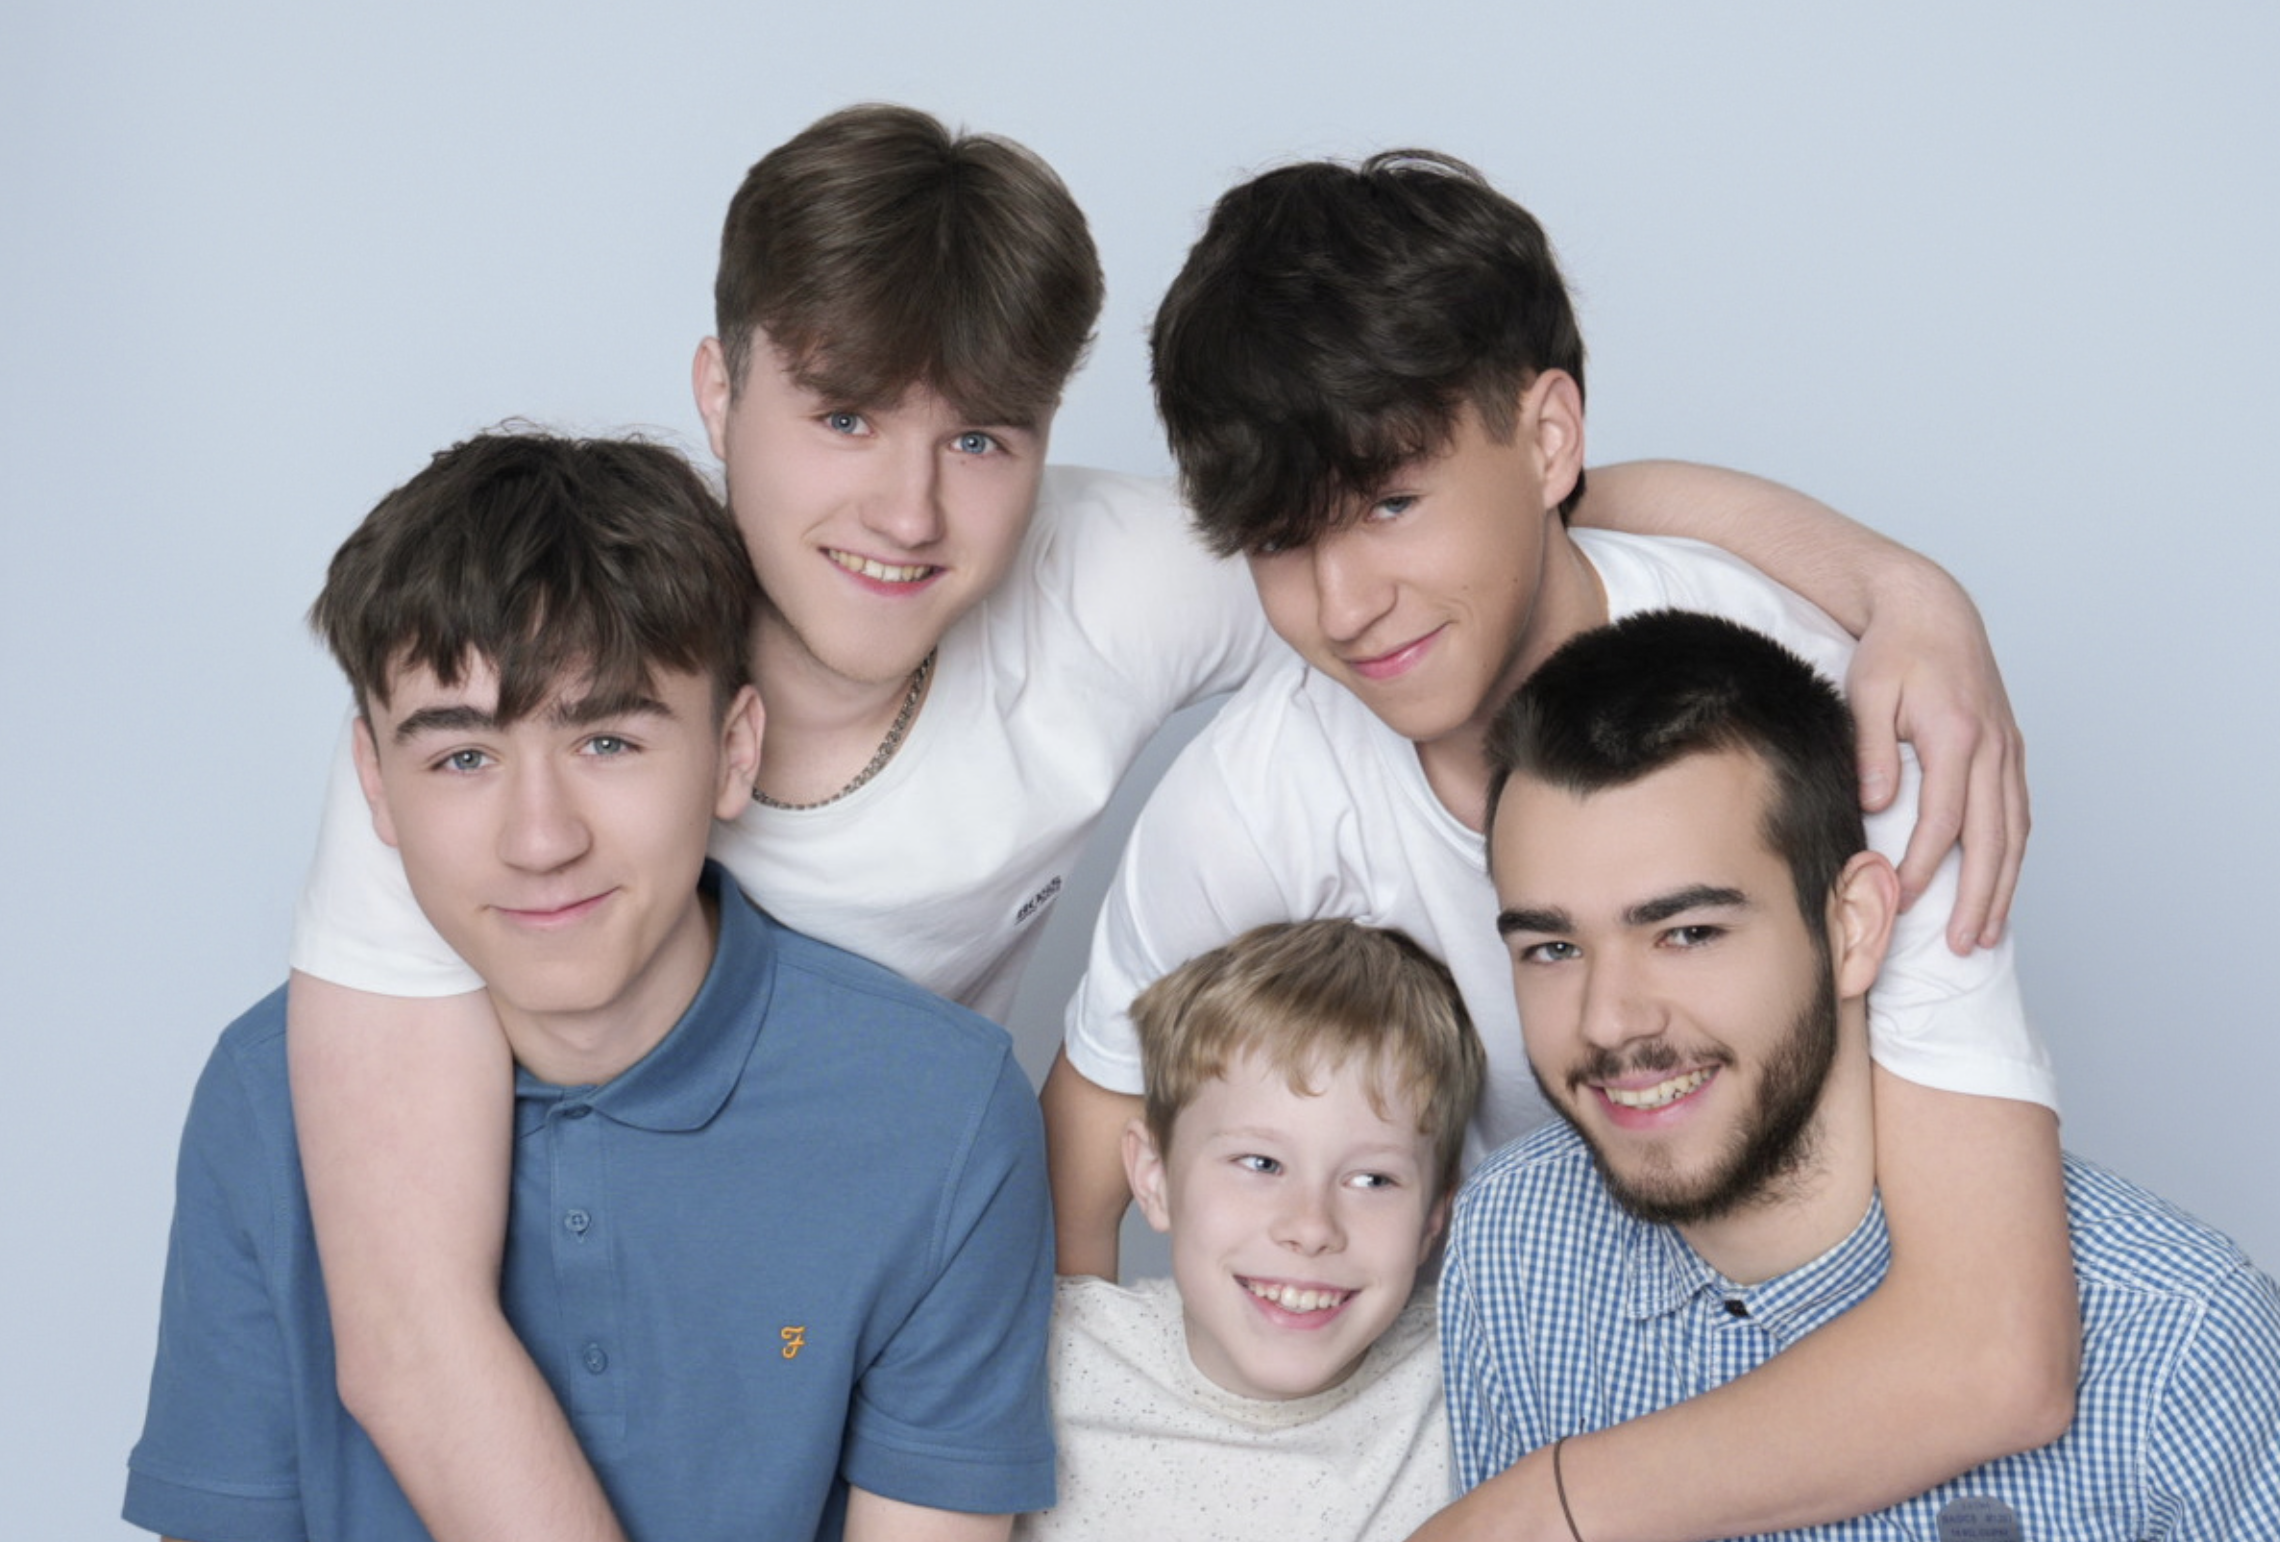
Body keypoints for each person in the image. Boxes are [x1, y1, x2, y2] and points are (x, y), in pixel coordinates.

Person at [285, 109, 2034, 1541]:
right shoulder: (518, 715)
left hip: (1650, 1350)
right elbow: (418, 1328)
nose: (904, 507)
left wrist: (1899, 592)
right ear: (715, 391)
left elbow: (1450, 517)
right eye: (834, 417)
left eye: (978, 437)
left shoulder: (1810, 719)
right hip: (655, 1298)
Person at [1046, 151, 2076, 1540]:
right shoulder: (1270, 775)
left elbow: (1992, 1350)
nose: (1347, 605)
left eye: (1392, 504)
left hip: (1833, 1350)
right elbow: (1101, 1103)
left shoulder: (1837, 724)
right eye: (1286, 544)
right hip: (1512, 1359)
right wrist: (1088, 1435)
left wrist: (1530, 1515)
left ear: (1546, 442)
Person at [125, 432, 1055, 1542]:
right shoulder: (263, 1099)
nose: (540, 838)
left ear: (735, 752)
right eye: (462, 757)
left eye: (608, 741)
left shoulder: (938, 1116)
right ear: (374, 784)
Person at [1448, 608, 2280, 1538]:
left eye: (1687, 933)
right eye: (1553, 948)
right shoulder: (1514, 1243)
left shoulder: (2179, 1341)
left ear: (1855, 927)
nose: (1609, 1021)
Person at [1015, 920, 1484, 1542]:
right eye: (1261, 1164)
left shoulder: (1481, 1384)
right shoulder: (1034, 1366)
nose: (1311, 1227)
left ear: (1435, 1216)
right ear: (1154, 1178)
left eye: (1373, 1180)